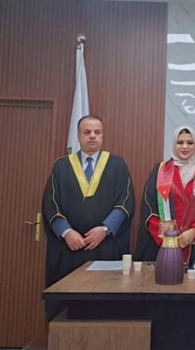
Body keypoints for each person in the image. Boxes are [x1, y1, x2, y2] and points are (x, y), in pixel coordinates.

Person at [42, 115, 135, 319]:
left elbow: (126, 201)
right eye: (87, 132)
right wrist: (66, 232)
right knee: (69, 310)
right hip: (70, 248)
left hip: (105, 247)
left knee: (105, 308)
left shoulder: (118, 165)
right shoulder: (62, 166)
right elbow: (51, 203)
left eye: (97, 132)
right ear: (78, 136)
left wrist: (105, 229)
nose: (92, 136)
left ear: (102, 136)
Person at [133, 125, 195, 268]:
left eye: (190, 143)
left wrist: (193, 232)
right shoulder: (160, 170)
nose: (185, 147)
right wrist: (168, 239)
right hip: (163, 243)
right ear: (173, 144)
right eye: (180, 142)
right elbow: (149, 208)